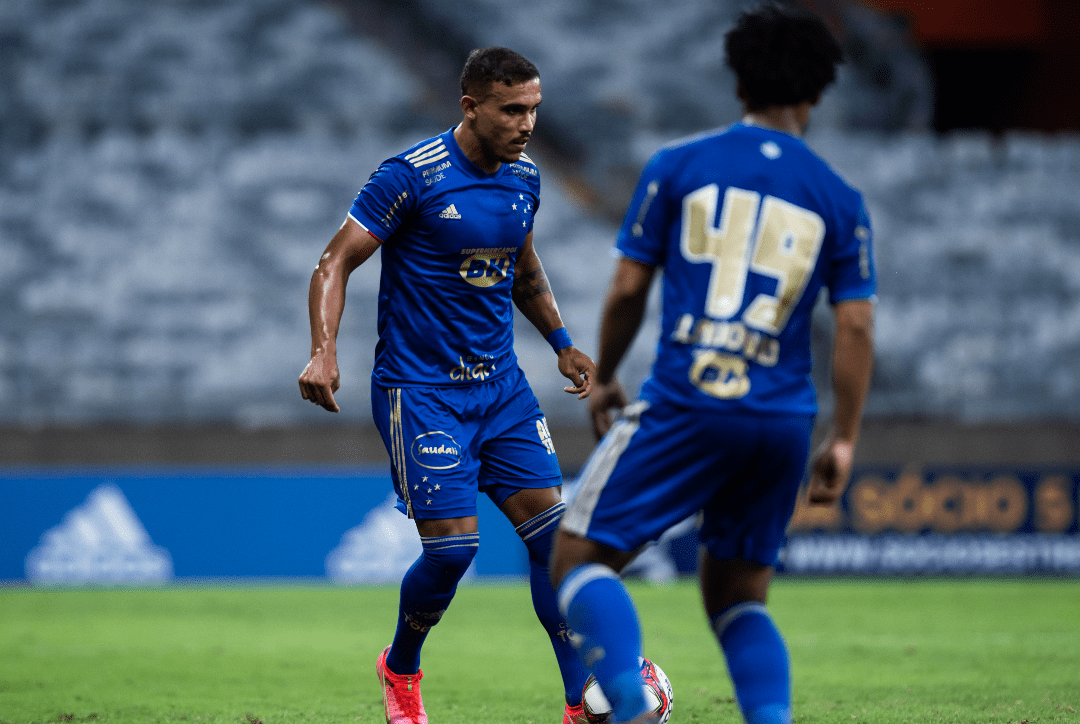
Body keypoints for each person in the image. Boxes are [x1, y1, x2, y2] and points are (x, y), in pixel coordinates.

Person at [549, 6, 876, 724]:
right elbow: (854, 325)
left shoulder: (679, 166)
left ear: (738, 84)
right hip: (784, 418)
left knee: (577, 559)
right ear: (817, 94)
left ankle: (628, 704)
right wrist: (844, 436)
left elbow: (630, 286)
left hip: (690, 399)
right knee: (736, 596)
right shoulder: (839, 200)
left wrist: (603, 373)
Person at [298, 47, 596, 724]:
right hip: (420, 391)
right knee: (455, 550)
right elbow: (333, 261)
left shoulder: (525, 178)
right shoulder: (411, 176)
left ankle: (582, 704)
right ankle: (401, 666)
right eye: (513, 109)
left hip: (502, 392)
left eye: (535, 109)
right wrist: (323, 351)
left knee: (555, 543)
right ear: (471, 106)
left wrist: (562, 343)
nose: (527, 123)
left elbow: (521, 271)